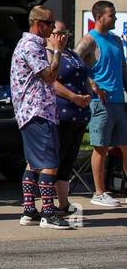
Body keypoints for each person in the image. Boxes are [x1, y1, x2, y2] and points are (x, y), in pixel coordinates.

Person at [10, 6, 72, 229]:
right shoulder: (31, 46)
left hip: (34, 111)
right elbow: (49, 76)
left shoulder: (30, 45)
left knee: (34, 162)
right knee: (49, 162)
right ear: (38, 24)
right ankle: (48, 212)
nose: (54, 28)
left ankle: (29, 209)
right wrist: (57, 51)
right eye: (50, 23)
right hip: (37, 111)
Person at [75, 0, 127, 207]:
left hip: (118, 102)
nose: (114, 18)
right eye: (111, 15)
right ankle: (99, 192)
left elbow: (123, 69)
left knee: (125, 146)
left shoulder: (115, 40)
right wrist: (92, 84)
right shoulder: (89, 41)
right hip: (100, 103)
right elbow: (73, 65)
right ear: (98, 17)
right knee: (101, 148)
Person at [52, 20, 93, 216]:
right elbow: (51, 82)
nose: (63, 36)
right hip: (61, 114)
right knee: (56, 160)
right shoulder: (49, 54)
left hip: (79, 115)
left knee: (68, 161)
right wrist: (74, 97)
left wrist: (88, 94)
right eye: (59, 32)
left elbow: (83, 77)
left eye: (66, 32)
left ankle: (63, 203)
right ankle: (47, 204)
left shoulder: (74, 54)